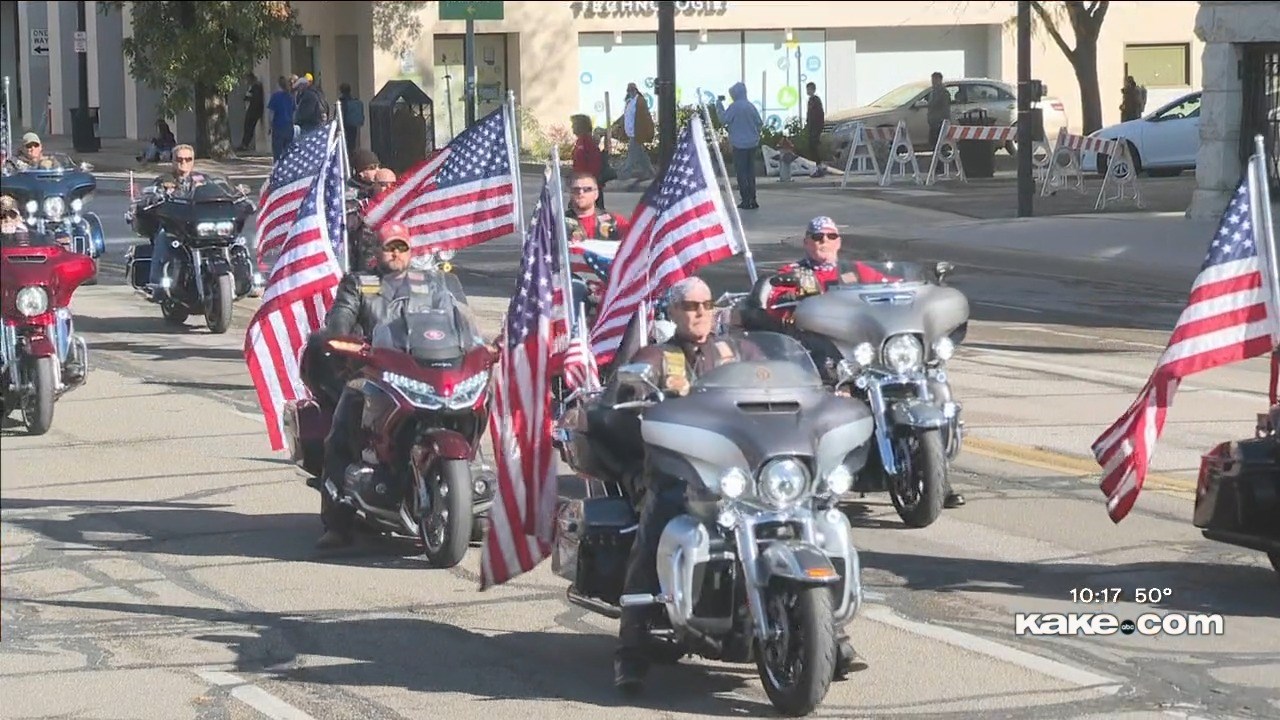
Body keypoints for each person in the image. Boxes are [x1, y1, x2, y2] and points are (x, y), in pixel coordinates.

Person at [759, 216, 966, 510]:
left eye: (830, 236)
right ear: (806, 241)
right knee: (825, 403)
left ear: (838, 241)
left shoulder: (855, 272)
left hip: (868, 354)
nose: (824, 243)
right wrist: (786, 297)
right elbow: (775, 300)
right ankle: (818, 478)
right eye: (817, 237)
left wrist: (924, 286)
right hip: (825, 355)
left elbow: (895, 286)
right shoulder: (795, 273)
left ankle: (939, 479)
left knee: (934, 386)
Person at [314, 221, 418, 549]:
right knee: (344, 427)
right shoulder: (359, 283)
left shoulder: (429, 284)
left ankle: (468, 506)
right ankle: (337, 520)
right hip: (372, 372)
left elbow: (457, 320)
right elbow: (340, 321)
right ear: (377, 251)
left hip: (421, 373)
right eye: (390, 247)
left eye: (402, 247)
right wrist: (344, 341)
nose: (396, 254)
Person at [564, 171, 628, 318]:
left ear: (596, 194)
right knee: (574, 290)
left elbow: (636, 243)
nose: (581, 193)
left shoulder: (614, 222)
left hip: (607, 280)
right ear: (570, 193)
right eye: (576, 189)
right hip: (573, 281)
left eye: (587, 189)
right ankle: (574, 338)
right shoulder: (558, 222)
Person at [148, 145, 207, 291]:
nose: (184, 163)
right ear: (172, 161)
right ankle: (155, 283)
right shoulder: (164, 180)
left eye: (188, 159)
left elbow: (216, 192)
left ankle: (243, 280)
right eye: (179, 159)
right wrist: (156, 197)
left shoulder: (201, 179)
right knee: (162, 236)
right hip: (174, 225)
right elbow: (152, 196)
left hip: (197, 224)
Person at [716, 83, 763, 209]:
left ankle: (745, 200)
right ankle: (753, 198)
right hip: (752, 144)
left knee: (741, 173)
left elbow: (723, 119)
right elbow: (759, 123)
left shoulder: (734, 107)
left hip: (739, 145)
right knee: (750, 172)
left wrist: (719, 106)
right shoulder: (750, 106)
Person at [267, 76, 296, 161]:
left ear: (278, 85)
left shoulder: (275, 96)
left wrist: (270, 126)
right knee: (288, 152)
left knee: (277, 152)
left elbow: (271, 113)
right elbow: (294, 113)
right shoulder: (290, 97)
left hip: (278, 127)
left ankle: (277, 169)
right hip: (289, 127)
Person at [239, 72, 265, 153]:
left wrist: (248, 98)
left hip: (254, 110)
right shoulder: (253, 86)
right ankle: (244, 143)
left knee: (249, 127)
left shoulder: (256, 86)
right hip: (252, 109)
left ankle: (245, 144)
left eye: (247, 79)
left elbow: (256, 99)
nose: (246, 81)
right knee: (247, 126)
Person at [927, 72, 952, 149]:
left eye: (935, 79)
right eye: (932, 79)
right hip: (933, 122)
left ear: (939, 80)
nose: (933, 81)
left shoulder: (944, 93)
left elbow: (945, 109)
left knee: (940, 144)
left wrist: (942, 121)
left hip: (940, 122)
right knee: (933, 143)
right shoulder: (932, 92)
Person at [338, 83, 365, 153]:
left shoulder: (341, 102)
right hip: (353, 125)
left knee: (345, 145)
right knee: (352, 144)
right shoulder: (354, 101)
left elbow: (339, 115)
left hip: (344, 126)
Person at [805, 81, 825, 165]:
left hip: (816, 127)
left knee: (814, 145)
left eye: (809, 89)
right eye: (807, 89)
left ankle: (818, 164)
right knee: (811, 146)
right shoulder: (810, 101)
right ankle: (815, 164)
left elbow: (819, 114)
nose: (808, 91)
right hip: (811, 127)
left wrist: (819, 126)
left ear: (813, 90)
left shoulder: (816, 100)